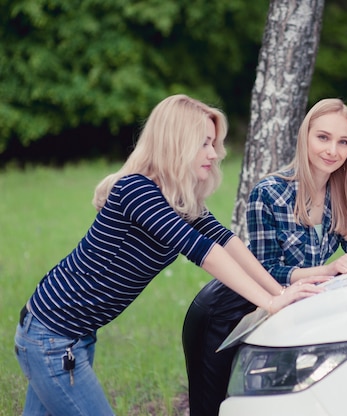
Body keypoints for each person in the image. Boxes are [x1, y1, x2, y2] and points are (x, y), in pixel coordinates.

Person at [13, 94, 322, 416]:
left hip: (71, 334)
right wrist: (269, 303)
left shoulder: (178, 199)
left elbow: (228, 242)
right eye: (204, 144)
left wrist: (280, 292)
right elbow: (205, 252)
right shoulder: (136, 191)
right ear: (177, 143)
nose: (214, 154)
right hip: (51, 337)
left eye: (214, 143)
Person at [182, 98, 347, 415]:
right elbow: (263, 269)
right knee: (215, 407)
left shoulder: (340, 192)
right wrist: (326, 270)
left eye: (343, 142)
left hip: (288, 307)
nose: (333, 150)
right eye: (323, 137)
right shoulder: (270, 192)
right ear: (305, 137)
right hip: (228, 311)